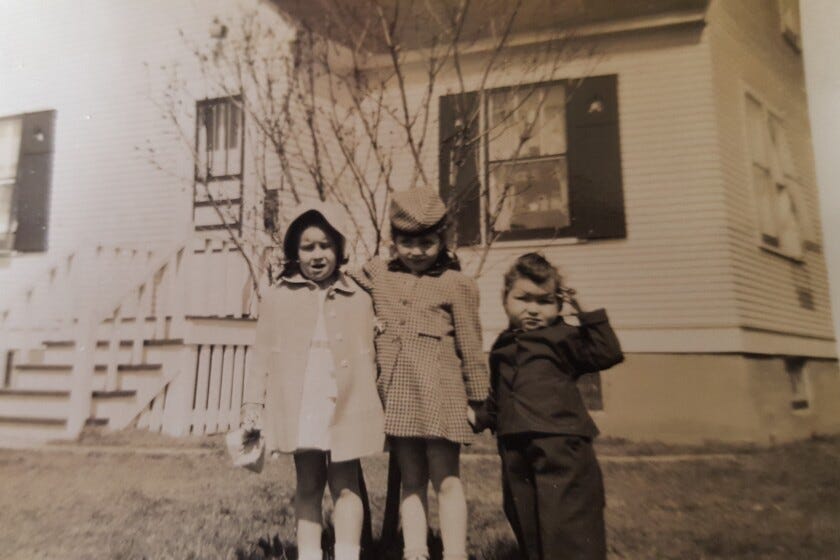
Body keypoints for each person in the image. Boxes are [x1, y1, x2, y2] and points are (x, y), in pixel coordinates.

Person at [241, 203, 385, 560]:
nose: (318, 255)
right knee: (308, 484)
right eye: (308, 247)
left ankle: (348, 554)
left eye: (326, 246)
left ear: (339, 249)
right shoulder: (277, 296)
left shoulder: (359, 299)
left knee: (346, 485)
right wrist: (252, 405)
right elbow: (260, 354)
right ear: (295, 251)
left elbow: (372, 358)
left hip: (344, 401)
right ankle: (309, 554)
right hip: (302, 400)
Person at [354, 186, 488, 560]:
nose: (416, 252)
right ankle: (415, 551)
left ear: (443, 240)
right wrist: (371, 322)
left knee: (446, 479)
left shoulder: (457, 284)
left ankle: (455, 553)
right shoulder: (379, 274)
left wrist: (478, 399)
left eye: (427, 242)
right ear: (392, 241)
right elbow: (343, 285)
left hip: (442, 396)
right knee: (411, 481)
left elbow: (471, 346)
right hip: (398, 396)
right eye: (406, 242)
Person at [470, 252, 624, 560]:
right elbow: (497, 398)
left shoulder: (565, 336)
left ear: (559, 305)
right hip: (514, 443)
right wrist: (478, 416)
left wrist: (582, 307)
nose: (533, 310)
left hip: (561, 442)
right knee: (524, 514)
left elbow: (607, 352)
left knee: (568, 517)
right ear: (505, 299)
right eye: (523, 299)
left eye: (544, 301)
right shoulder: (501, 345)